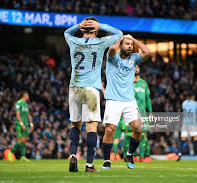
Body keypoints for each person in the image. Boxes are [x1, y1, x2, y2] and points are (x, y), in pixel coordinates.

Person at [64, 17, 122, 173]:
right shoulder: (101, 42)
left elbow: (66, 32)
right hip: (91, 89)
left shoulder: (73, 41)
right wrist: (100, 25)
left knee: (75, 124)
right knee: (91, 127)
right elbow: (119, 34)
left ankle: (73, 156)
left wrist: (79, 26)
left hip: (74, 88)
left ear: (83, 29)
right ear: (96, 29)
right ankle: (89, 165)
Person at [101, 34, 150, 169]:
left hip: (129, 100)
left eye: (131, 45)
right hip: (113, 99)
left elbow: (147, 52)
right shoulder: (112, 57)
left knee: (138, 128)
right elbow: (111, 49)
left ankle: (129, 154)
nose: (129, 46)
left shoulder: (134, 58)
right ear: (121, 44)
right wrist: (120, 39)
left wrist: (134, 40)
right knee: (110, 130)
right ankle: (106, 160)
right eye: (126, 44)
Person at [8, 91, 34, 162]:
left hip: (26, 124)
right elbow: (18, 114)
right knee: (21, 140)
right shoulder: (18, 103)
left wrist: (31, 124)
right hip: (19, 124)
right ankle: (10, 153)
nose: (28, 97)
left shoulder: (26, 104)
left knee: (25, 140)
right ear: (24, 95)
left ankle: (23, 157)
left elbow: (28, 115)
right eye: (27, 95)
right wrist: (21, 123)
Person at [177, 91, 197, 161]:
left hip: (185, 124)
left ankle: (179, 154)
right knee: (196, 139)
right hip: (192, 124)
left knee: (183, 139)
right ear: (193, 97)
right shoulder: (195, 103)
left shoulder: (184, 103)